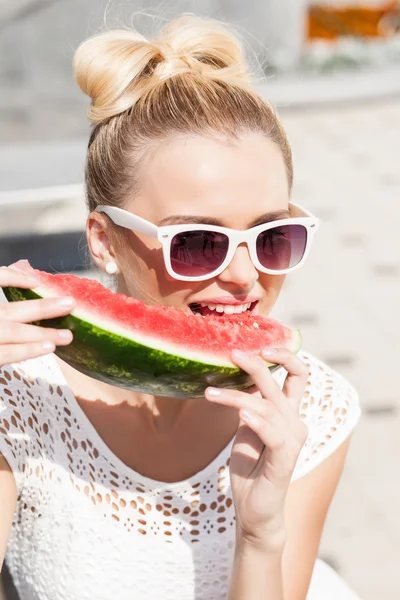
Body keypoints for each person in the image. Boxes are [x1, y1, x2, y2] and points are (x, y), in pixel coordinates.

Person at [0, 15, 361, 600]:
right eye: (195, 242)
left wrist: (261, 535)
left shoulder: (313, 410)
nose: (245, 277)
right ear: (103, 240)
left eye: (273, 238)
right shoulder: (18, 391)